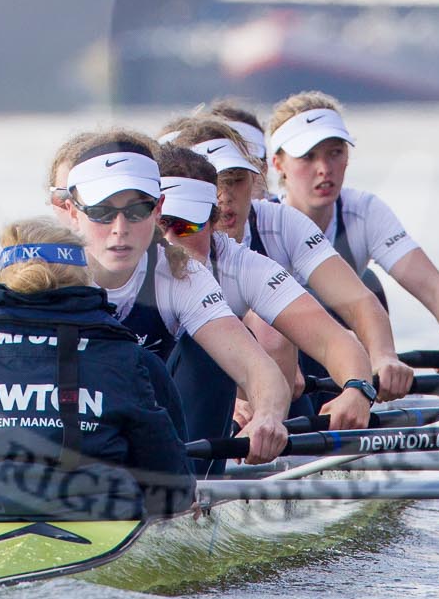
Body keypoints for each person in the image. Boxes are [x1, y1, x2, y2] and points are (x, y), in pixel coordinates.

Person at [0, 219, 196, 523]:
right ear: (85, 279)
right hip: (99, 527)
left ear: (0, 279)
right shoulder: (132, 360)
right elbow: (175, 490)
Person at [44, 129, 292, 464]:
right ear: (73, 212)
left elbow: (260, 370)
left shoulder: (180, 274)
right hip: (60, 433)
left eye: (136, 210)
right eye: (102, 212)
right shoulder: (35, 273)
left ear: (158, 209)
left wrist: (267, 416)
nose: (120, 228)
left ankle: (189, 489)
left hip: (147, 440)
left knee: (204, 351)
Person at [163, 113, 413, 400]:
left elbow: (353, 307)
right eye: (214, 183)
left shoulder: (270, 233)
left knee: (286, 325)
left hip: (274, 388)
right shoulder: (143, 249)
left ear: (255, 178)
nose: (224, 196)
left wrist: (372, 370)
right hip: (171, 394)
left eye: (235, 180)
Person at [157, 145, 377, 431]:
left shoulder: (245, 266)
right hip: (122, 413)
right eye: (161, 226)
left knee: (214, 355)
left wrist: (357, 388)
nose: (171, 240)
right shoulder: (120, 264)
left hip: (196, 426)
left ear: (213, 222)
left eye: (186, 227)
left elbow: (333, 340)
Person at [265, 91, 439, 373]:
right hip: (281, 364)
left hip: (346, 357)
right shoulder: (261, 221)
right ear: (278, 164)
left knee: (369, 286)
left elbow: (431, 285)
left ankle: (374, 380)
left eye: (335, 153)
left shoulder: (364, 212)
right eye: (308, 157)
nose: (324, 169)